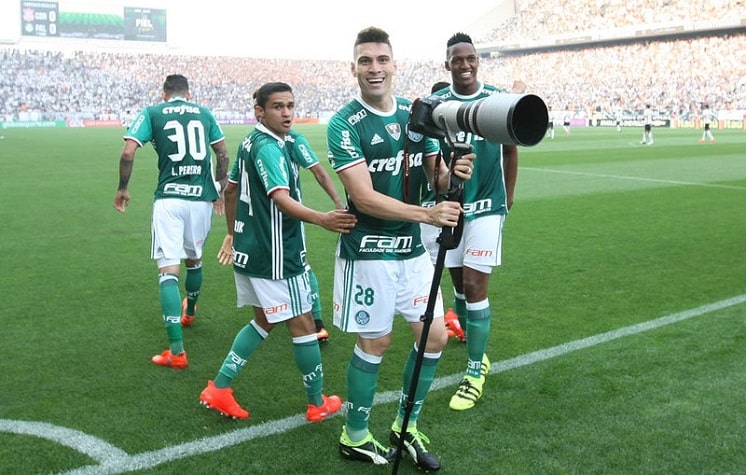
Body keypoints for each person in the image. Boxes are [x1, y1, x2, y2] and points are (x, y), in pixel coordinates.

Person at [327, 27, 475, 470]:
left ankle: (405, 424)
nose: (375, 68)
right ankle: (354, 434)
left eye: (382, 60)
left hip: (411, 249)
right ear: (353, 68)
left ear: (395, 64)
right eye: (366, 61)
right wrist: (428, 215)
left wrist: (455, 173)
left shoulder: (417, 113)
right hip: (368, 248)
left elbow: (438, 181)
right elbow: (365, 197)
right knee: (376, 341)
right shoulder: (343, 124)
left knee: (434, 335)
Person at [199, 82, 355, 421]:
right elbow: (281, 200)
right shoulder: (268, 146)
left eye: (290, 106)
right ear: (260, 111)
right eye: (278, 107)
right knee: (302, 325)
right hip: (277, 254)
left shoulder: (252, 141)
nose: (286, 113)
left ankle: (219, 388)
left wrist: (230, 234)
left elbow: (231, 191)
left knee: (264, 320)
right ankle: (317, 403)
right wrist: (323, 218)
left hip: (252, 250)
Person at [429, 32, 520, 412]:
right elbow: (430, 158)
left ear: (477, 60)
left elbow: (511, 149)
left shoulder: (496, 100)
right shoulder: (437, 105)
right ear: (446, 64)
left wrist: (509, 195)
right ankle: (471, 337)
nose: (465, 65)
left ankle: (474, 372)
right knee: (457, 284)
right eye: (457, 59)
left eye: (471, 58)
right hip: (451, 207)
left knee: (474, 282)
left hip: (487, 206)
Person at [113, 74, 229, 369]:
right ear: (188, 93)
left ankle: (176, 352)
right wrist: (218, 190)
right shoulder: (203, 113)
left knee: (168, 271)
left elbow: (128, 151)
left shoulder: (153, 112)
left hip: (170, 198)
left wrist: (123, 188)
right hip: (201, 199)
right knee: (195, 259)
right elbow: (223, 153)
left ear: (164, 93)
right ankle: (189, 311)